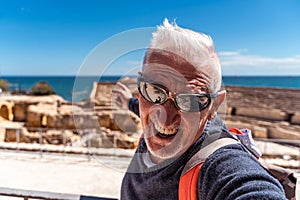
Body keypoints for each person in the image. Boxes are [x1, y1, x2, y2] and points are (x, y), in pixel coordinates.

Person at [118, 19, 287, 200]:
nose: (164, 120)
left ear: (214, 106)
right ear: (140, 89)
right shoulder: (149, 114)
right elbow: (140, 107)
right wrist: (128, 102)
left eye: (190, 101)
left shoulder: (219, 166)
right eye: (154, 91)